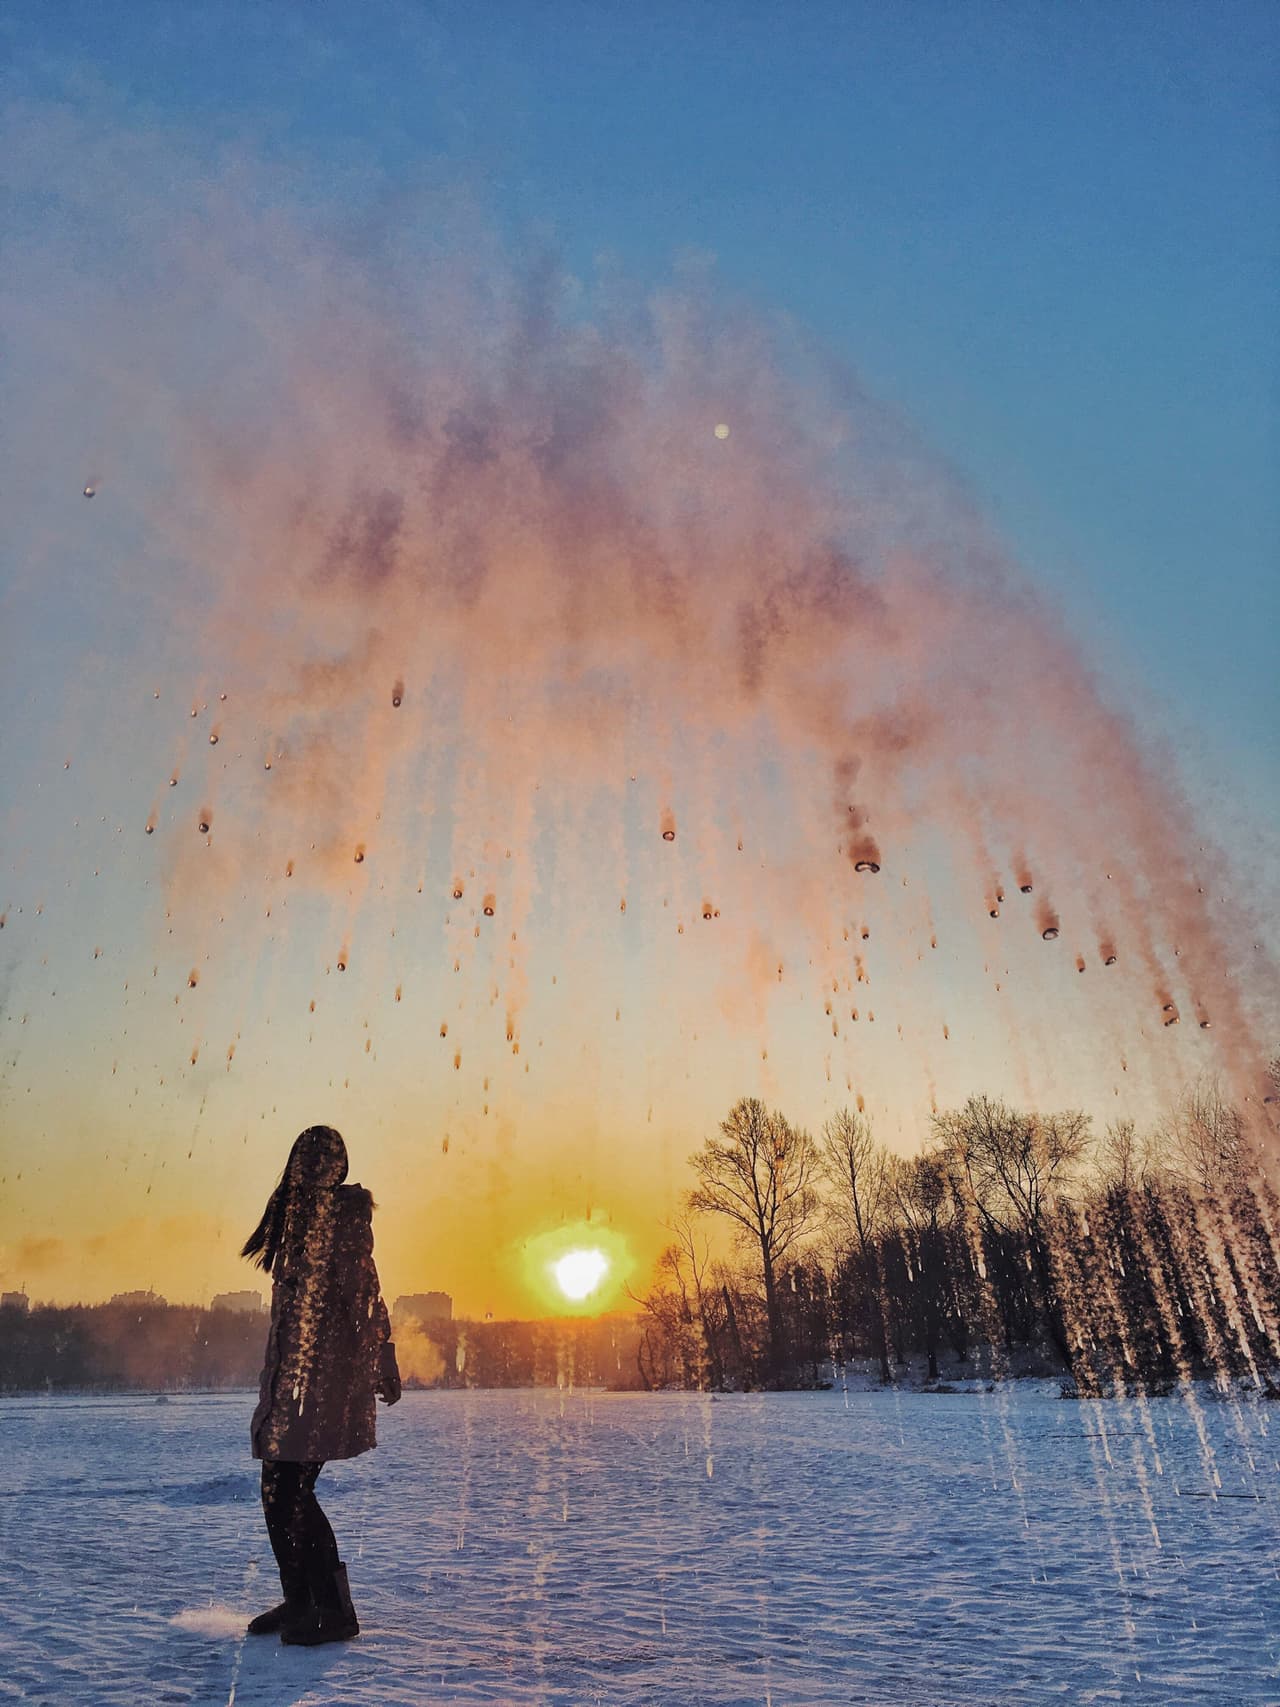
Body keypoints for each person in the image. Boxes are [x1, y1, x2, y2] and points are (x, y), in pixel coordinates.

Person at [241, 1125, 401, 1645]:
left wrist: (383, 1356)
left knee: (291, 1491)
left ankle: (334, 1611)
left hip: (326, 1382)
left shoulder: (344, 1219)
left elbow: (365, 1292)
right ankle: (301, 1600)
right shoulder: (293, 1219)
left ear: (341, 1167)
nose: (313, 1166)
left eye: (325, 1158)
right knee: (275, 1490)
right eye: (306, 1156)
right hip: (292, 1383)